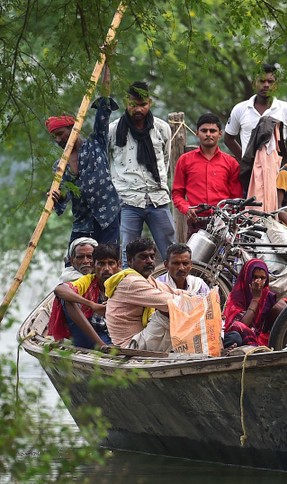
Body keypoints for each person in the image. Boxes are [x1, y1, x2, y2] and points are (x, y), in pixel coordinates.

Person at [47, 64, 121, 249]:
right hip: (83, 222)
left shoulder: (96, 142)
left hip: (108, 215)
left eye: (61, 133)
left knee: (108, 260)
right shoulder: (60, 164)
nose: (58, 140)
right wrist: (57, 196)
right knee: (75, 264)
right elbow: (64, 195)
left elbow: (104, 104)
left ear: (74, 129)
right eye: (54, 136)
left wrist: (107, 65)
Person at [109, 80, 176, 264]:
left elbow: (165, 159)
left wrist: (159, 183)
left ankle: (175, 291)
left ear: (150, 103)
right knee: (128, 254)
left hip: (158, 198)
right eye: (133, 105)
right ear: (126, 103)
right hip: (128, 199)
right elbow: (108, 162)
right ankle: (128, 291)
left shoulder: (162, 128)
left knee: (171, 251)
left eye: (142, 105)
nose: (138, 109)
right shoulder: (113, 130)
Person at [105, 238, 187, 351]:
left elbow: (173, 292)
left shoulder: (147, 279)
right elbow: (169, 302)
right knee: (170, 308)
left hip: (141, 339)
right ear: (129, 261)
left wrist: (198, 297)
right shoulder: (131, 282)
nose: (150, 261)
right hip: (129, 346)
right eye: (143, 257)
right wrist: (194, 301)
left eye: (152, 257)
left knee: (180, 303)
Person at [172, 113, 243, 236]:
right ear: (197, 133)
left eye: (213, 131)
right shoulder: (185, 160)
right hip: (196, 222)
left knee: (225, 256)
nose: (208, 134)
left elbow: (236, 198)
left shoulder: (231, 163)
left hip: (224, 222)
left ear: (220, 134)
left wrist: (234, 223)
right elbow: (177, 194)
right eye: (204, 130)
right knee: (194, 255)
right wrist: (187, 208)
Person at [224, 63, 287, 158]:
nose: (266, 85)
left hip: (279, 170)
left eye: (270, 82)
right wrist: (244, 160)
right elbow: (228, 139)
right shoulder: (240, 109)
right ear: (254, 84)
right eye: (262, 81)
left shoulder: (286, 109)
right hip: (250, 171)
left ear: (276, 85)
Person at [48, 243, 120, 349]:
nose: (106, 269)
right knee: (67, 300)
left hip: (115, 332)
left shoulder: (123, 280)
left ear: (118, 265)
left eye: (111, 264)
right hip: (92, 334)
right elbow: (60, 289)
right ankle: (103, 346)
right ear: (94, 266)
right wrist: (92, 305)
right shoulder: (89, 280)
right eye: (101, 264)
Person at [223, 259, 284, 347]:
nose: (258, 282)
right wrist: (255, 299)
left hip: (261, 341)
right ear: (247, 277)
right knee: (236, 329)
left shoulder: (268, 297)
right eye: (254, 277)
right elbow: (240, 327)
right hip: (240, 338)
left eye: (262, 278)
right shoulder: (237, 296)